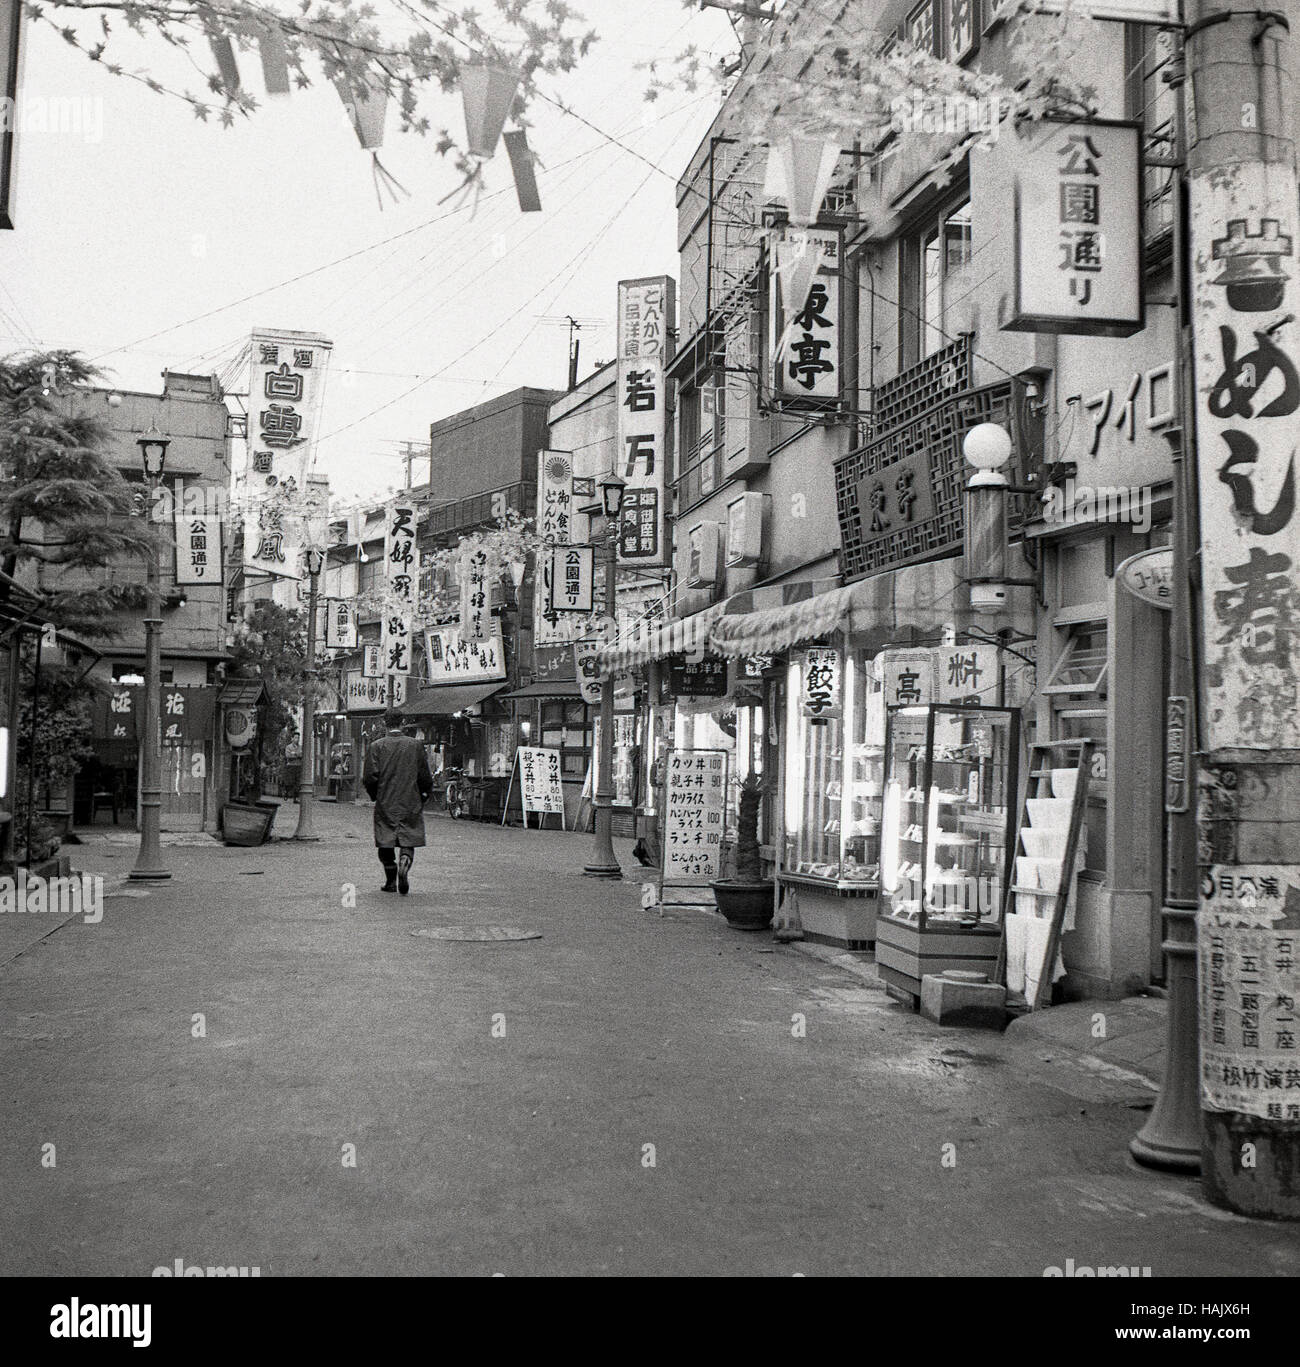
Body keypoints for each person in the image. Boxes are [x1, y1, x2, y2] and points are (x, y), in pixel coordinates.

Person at [362, 711, 433, 895]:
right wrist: (423, 795)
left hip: (386, 800)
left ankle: (390, 880)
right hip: (410, 799)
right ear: (402, 722)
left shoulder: (376, 746)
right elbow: (424, 775)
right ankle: (405, 861)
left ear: (385, 723)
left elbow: (370, 777)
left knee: (385, 840)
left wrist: (375, 795)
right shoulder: (415, 746)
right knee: (408, 835)